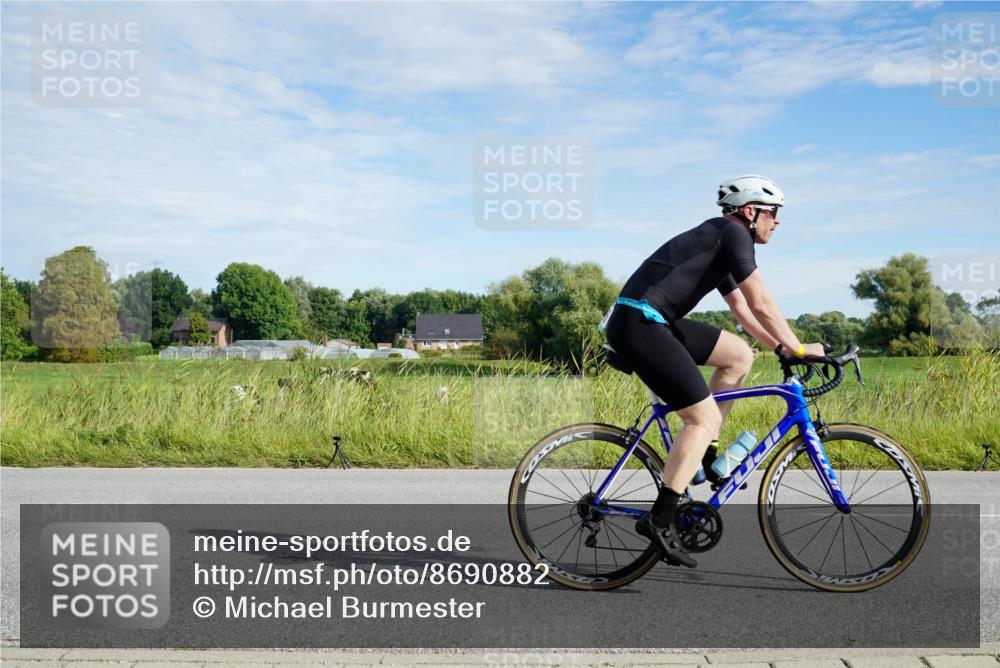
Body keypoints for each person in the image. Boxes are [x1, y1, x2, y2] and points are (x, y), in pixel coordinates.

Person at [603, 175, 825, 568]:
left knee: (739, 356)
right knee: (701, 418)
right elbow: (762, 303)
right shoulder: (733, 233)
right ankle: (660, 519)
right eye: (773, 214)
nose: (777, 222)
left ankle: (704, 457)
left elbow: (742, 310)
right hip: (640, 324)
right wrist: (800, 348)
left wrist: (779, 347)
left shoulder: (720, 240)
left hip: (650, 320)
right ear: (750, 211)